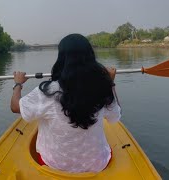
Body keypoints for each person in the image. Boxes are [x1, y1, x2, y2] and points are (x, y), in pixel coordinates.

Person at [10, 33, 121, 173]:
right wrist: (109, 83)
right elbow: (115, 117)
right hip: (96, 165)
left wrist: (18, 84)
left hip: (55, 165)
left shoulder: (47, 91)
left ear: (62, 59)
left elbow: (15, 107)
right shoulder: (102, 87)